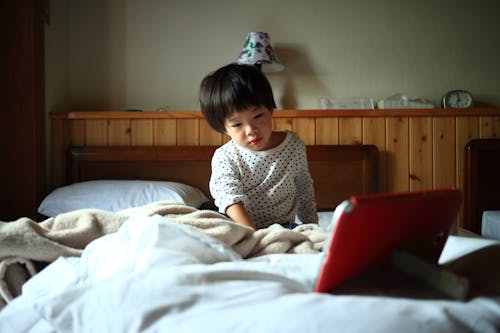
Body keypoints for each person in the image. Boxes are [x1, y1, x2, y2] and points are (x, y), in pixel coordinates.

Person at [199, 63, 318, 230]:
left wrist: (312, 227)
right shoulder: (225, 156)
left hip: (283, 226)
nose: (251, 130)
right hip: (240, 227)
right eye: (237, 124)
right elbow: (230, 199)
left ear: (271, 109)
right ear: (223, 128)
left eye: (258, 116)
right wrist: (254, 236)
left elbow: (304, 189)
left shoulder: (293, 146)